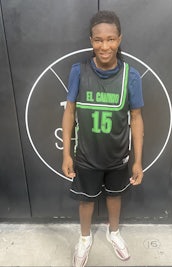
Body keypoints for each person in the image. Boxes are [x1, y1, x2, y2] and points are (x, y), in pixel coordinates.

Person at [62, 10, 144, 267]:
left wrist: (138, 160)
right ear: (91, 40)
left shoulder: (131, 75)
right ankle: (85, 238)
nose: (104, 45)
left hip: (118, 156)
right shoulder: (79, 70)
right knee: (86, 201)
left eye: (110, 39)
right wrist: (66, 153)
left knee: (114, 196)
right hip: (86, 155)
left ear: (119, 39)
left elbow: (137, 118)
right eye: (98, 39)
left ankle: (114, 232)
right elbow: (69, 111)